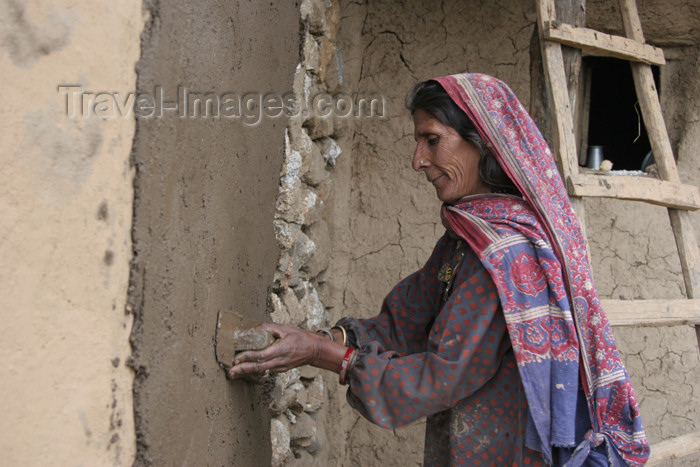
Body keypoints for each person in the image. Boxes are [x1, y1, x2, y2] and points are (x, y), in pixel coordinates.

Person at [228, 72, 650, 466]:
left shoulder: (507, 257)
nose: (418, 160)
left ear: (482, 141)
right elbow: (407, 318)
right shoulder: (467, 239)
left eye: (432, 140)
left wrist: (318, 352)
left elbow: (441, 377)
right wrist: (328, 338)